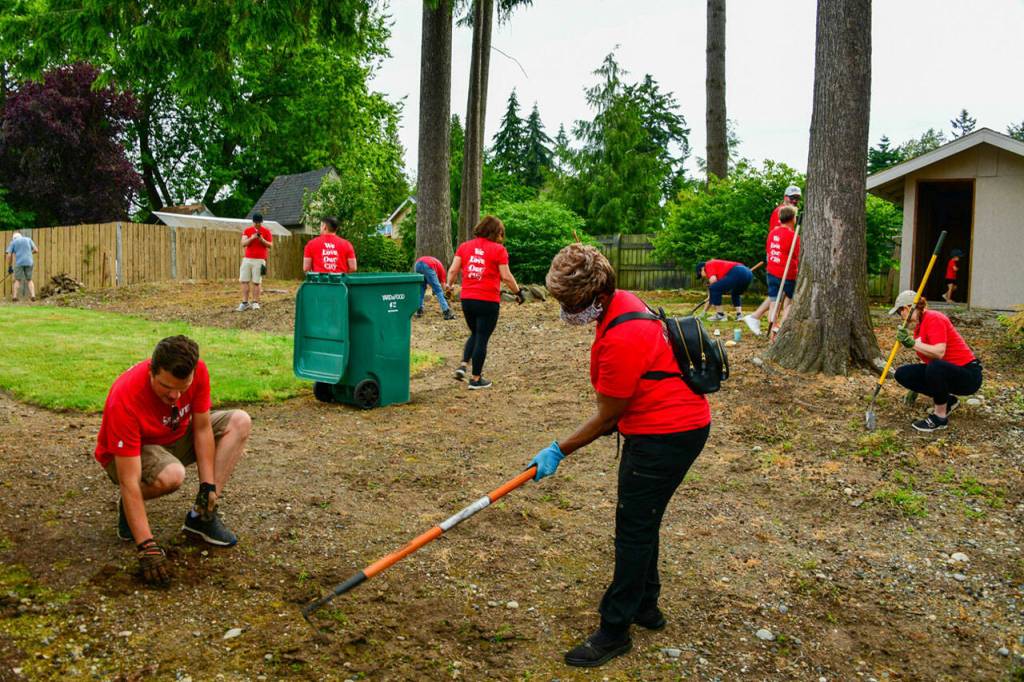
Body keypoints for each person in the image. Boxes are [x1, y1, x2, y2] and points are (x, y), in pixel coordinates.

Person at [527, 244, 711, 668]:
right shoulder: (622, 302)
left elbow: (609, 418)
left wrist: (559, 450)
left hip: (665, 435)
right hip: (678, 425)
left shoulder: (622, 336)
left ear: (594, 297)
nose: (564, 311)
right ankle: (647, 606)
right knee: (644, 520)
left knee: (632, 529)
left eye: (568, 303)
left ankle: (615, 630)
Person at [94, 336, 251, 585]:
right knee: (172, 475)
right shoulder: (125, 398)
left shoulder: (198, 371)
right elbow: (129, 479)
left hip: (173, 435)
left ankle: (202, 515)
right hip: (130, 452)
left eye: (183, 387)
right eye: (166, 386)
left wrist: (207, 487)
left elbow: (201, 429)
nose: (176, 395)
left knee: (239, 421)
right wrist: (147, 546)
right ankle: (130, 509)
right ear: (151, 371)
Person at [445, 215, 524, 389]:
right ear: (496, 233)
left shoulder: (464, 247)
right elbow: (506, 276)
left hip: (467, 299)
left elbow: (452, 270)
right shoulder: (498, 250)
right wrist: (518, 292)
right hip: (487, 300)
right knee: (481, 337)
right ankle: (475, 379)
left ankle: (463, 365)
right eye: (501, 233)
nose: (502, 237)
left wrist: (448, 287)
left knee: (475, 332)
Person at [889, 290, 982, 433]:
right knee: (902, 373)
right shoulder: (918, 329)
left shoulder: (934, 318)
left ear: (906, 308)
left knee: (935, 366)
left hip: (968, 375)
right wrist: (915, 387)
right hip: (947, 372)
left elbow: (939, 353)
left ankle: (939, 418)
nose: (900, 316)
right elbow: (927, 360)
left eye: (898, 312)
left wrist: (911, 343)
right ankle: (948, 400)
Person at [743, 205, 800, 336]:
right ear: (793, 219)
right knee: (789, 301)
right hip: (787, 273)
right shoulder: (793, 236)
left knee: (774, 302)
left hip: (772, 272)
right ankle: (780, 329)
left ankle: (772, 329)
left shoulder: (772, 232)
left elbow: (769, 250)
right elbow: (797, 255)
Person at [236, 213, 273, 312]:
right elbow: (243, 243)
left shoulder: (266, 231)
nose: (257, 224)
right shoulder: (247, 231)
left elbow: (270, 245)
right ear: (253, 222)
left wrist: (261, 239)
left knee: (257, 282)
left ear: (261, 222)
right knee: (244, 280)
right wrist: (252, 238)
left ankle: (255, 302)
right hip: (247, 259)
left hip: (260, 259)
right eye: (256, 222)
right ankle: (244, 302)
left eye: (259, 223)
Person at [414, 255, 456, 320]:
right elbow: (443, 286)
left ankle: (419, 310)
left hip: (417, 264)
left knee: (421, 289)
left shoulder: (436, 264)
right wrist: (446, 291)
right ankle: (446, 311)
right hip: (428, 265)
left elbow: (430, 280)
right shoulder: (442, 271)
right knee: (438, 289)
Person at [5, 231, 39, 302]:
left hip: (19, 263)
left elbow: (9, 255)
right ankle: (33, 296)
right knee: (29, 280)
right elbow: (36, 250)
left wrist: (10, 266)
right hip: (29, 262)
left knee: (17, 280)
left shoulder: (13, 242)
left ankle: (14, 297)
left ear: (14, 238)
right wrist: (29, 253)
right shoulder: (28, 239)